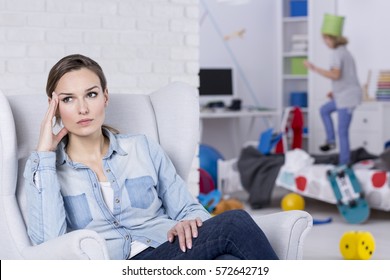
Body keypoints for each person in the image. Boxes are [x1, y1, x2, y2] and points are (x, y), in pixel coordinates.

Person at [23, 54, 278, 260]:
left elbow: (187, 208)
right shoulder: (46, 171)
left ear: (105, 97)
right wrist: (44, 155)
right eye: (68, 99)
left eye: (91, 94)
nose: (82, 108)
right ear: (54, 107)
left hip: (169, 248)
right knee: (235, 222)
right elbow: (49, 244)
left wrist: (188, 223)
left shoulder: (142, 148)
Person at [304, 14, 362, 165]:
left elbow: (336, 75)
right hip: (343, 95)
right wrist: (335, 92)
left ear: (331, 38)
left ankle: (344, 163)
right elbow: (347, 76)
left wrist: (314, 68)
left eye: (325, 39)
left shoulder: (337, 53)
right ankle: (330, 140)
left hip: (347, 98)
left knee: (342, 131)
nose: (324, 42)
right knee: (324, 110)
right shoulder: (344, 52)